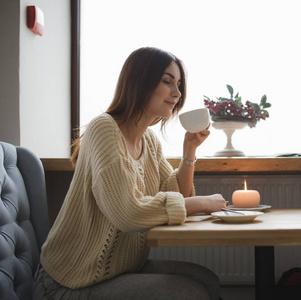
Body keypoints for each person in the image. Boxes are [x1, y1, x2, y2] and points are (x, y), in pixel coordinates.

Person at [33, 47, 227, 299]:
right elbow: (128, 213)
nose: (177, 93)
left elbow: (176, 192)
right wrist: (203, 202)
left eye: (179, 84)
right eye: (167, 81)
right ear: (140, 82)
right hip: (68, 283)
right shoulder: (104, 128)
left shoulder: (149, 140)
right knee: (189, 292)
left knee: (206, 280)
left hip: (118, 271)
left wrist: (189, 149)